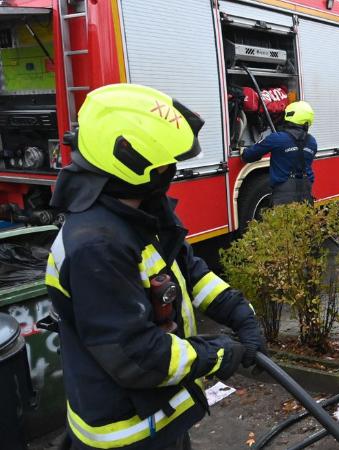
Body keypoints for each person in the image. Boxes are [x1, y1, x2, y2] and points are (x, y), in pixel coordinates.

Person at [45, 84, 266, 450]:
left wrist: (239, 313)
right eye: (164, 160)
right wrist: (217, 355)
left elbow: (188, 271)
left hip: (159, 415)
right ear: (128, 159)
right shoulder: (96, 246)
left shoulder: (138, 209)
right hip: (126, 431)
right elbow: (136, 355)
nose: (172, 168)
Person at [241, 101, 317, 206]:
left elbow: (249, 156)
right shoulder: (312, 142)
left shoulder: (277, 138)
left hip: (283, 197)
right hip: (306, 196)